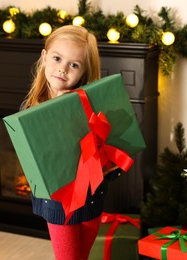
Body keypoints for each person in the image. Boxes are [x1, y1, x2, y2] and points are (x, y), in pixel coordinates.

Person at [21, 25, 121, 260]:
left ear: (84, 72)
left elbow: (110, 156)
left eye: (74, 65)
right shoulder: (29, 111)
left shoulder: (92, 108)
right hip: (60, 207)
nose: (63, 69)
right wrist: (58, 113)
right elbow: (39, 163)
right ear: (44, 57)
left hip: (93, 200)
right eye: (57, 58)